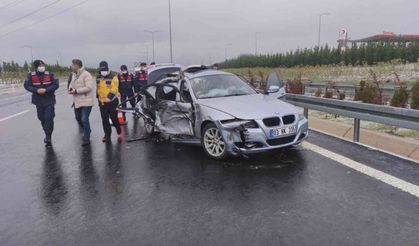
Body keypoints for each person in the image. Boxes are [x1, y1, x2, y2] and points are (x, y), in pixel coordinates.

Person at [24, 60, 59, 146]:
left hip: (49, 99)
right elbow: (26, 85)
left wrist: (46, 90)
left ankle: (48, 136)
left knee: (49, 117)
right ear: (36, 67)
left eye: (43, 65)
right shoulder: (30, 75)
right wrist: (36, 90)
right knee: (41, 118)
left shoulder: (50, 74)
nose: (42, 67)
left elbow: (56, 85)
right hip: (38, 100)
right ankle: (47, 131)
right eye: (40, 66)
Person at [68, 59, 95, 146]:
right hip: (77, 101)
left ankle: (86, 137)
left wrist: (76, 91)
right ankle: (87, 130)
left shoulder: (86, 74)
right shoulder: (73, 75)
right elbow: (71, 84)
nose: (71, 66)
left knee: (84, 119)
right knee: (78, 118)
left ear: (77, 65)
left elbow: (89, 87)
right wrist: (70, 89)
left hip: (86, 100)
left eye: (72, 65)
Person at [96, 61, 122, 143]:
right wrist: (98, 97)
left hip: (112, 102)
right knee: (105, 119)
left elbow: (114, 88)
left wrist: (109, 97)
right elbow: (98, 88)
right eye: (101, 70)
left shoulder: (114, 76)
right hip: (102, 102)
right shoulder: (98, 76)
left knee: (114, 118)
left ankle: (118, 127)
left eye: (104, 70)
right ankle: (107, 135)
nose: (103, 72)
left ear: (107, 69)